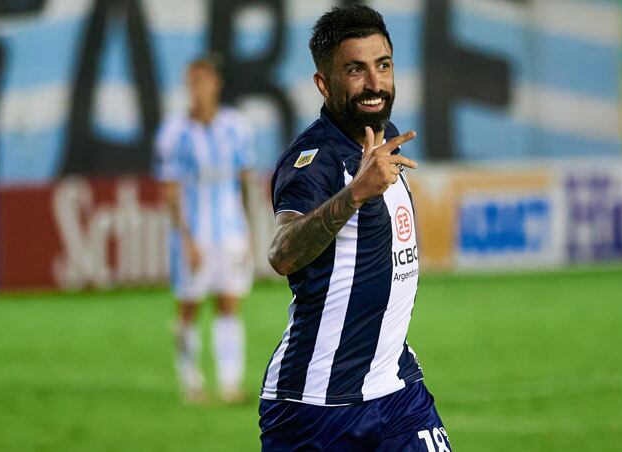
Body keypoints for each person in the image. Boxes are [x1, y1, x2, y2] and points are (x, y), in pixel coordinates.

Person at [259, 5, 452, 451]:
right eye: (355, 69)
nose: (374, 84)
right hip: (316, 408)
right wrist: (356, 193)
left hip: (398, 391)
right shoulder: (312, 160)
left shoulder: (387, 138)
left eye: (382, 65)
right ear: (324, 84)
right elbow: (282, 253)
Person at [154, 54, 255, 405]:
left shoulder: (236, 126)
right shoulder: (174, 132)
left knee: (229, 303)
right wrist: (185, 239)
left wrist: (249, 230)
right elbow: (170, 191)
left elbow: (244, 180)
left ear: (216, 83)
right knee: (189, 307)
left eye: (204, 80)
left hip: (230, 232)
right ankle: (191, 383)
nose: (198, 88)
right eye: (192, 81)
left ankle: (230, 384)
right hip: (194, 235)